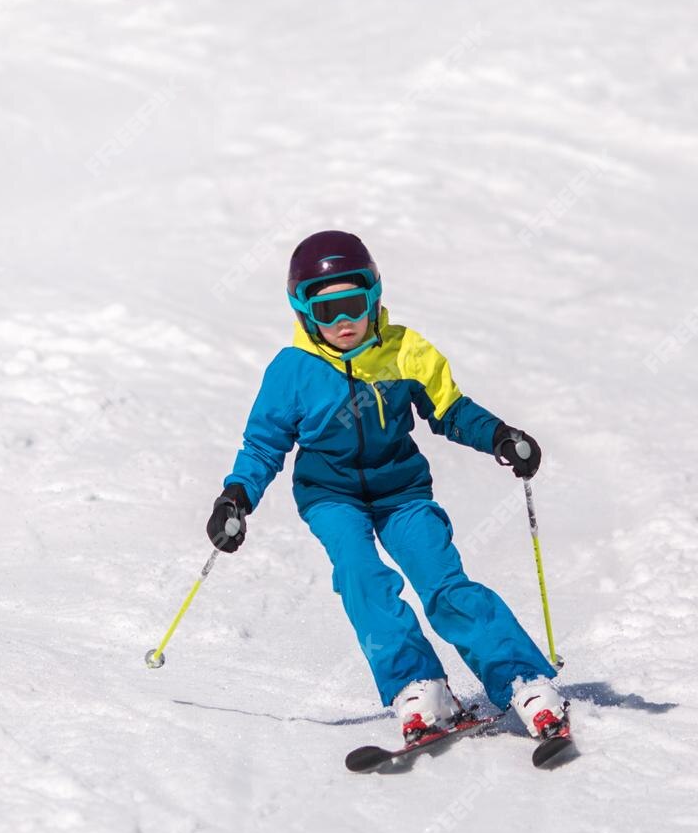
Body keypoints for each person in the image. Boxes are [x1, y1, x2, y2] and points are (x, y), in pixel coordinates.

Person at [205, 229, 568, 748]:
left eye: (352, 304)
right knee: (361, 576)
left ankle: (522, 679)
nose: (343, 322)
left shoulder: (405, 352)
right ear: (304, 312)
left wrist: (499, 436)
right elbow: (264, 445)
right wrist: (236, 496)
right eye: (325, 312)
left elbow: (450, 410)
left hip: (403, 493)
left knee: (442, 581)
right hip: (331, 497)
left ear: (373, 297)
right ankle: (418, 685)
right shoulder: (292, 372)